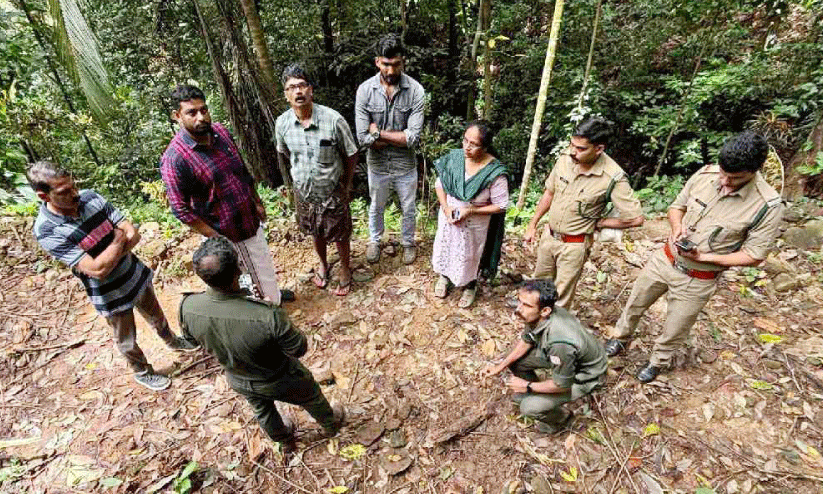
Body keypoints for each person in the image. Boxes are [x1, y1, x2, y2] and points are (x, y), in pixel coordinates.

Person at [605, 131, 784, 383]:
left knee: (676, 326)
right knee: (635, 302)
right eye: (723, 173)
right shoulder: (705, 174)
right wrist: (677, 227)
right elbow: (676, 207)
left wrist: (704, 257)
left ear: (755, 170)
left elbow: (754, 256)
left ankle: (658, 361)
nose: (724, 181)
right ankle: (620, 338)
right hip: (664, 259)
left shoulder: (767, 205)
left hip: (698, 278)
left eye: (734, 178)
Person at [28, 161, 198, 391]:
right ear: (44, 196)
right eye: (64, 191)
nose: (75, 193)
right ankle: (142, 372)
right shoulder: (47, 229)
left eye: (73, 185)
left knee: (155, 314)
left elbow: (133, 234)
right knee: (126, 338)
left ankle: (171, 340)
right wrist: (117, 241)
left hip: (134, 273)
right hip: (108, 293)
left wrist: (108, 257)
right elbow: (97, 270)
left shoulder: (90, 198)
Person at [179, 236, 344, 453]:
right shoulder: (266, 315)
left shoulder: (187, 306)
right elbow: (298, 348)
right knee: (311, 395)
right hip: (279, 377)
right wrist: (271, 315)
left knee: (262, 409)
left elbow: (191, 341)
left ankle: (284, 441)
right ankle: (331, 424)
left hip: (237, 377)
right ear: (238, 271)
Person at [160, 84, 292, 305]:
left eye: (203, 110)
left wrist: (256, 201)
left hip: (248, 219)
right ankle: (266, 311)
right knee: (240, 280)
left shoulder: (220, 132)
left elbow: (241, 169)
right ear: (177, 116)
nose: (201, 117)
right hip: (223, 230)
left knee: (262, 266)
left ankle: (272, 298)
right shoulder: (175, 158)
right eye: (192, 113)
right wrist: (215, 236)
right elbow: (180, 208)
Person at [524, 118, 644, 309]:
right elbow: (550, 192)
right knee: (538, 286)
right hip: (549, 236)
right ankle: (532, 319)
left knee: (561, 296)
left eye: (581, 148)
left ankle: (555, 325)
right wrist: (532, 224)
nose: (573, 151)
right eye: (572, 145)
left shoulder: (612, 177)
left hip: (575, 245)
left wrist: (601, 223)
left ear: (599, 149)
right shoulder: (565, 159)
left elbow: (636, 218)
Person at [275, 65, 359, 296]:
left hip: (332, 188)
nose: (298, 91)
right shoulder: (282, 124)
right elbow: (285, 153)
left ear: (311, 90)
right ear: (286, 94)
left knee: (340, 232)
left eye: (302, 85)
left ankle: (345, 268)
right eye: (292, 87)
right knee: (314, 230)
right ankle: (323, 264)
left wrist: (346, 184)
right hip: (303, 190)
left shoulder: (333, 120)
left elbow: (351, 154)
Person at [482, 279, 607, 434]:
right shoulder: (538, 315)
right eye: (519, 302)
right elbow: (527, 340)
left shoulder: (559, 343)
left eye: (526, 305)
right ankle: (537, 394)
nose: (519, 309)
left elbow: (563, 385)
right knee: (515, 362)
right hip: (568, 359)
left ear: (545, 311)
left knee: (528, 408)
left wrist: (527, 385)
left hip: (586, 375)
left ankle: (562, 418)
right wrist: (500, 366)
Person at [355, 34, 425, 265]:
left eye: (396, 64)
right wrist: (396, 136)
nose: (391, 70)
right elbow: (362, 138)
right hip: (377, 164)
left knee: (408, 207)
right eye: (386, 64)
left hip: (405, 164)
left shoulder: (415, 91)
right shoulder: (365, 90)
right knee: (376, 205)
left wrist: (378, 133)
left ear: (403, 62)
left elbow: (412, 138)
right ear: (377, 62)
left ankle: (408, 243)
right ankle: (375, 241)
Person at [431, 121, 508, 308]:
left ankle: (470, 286)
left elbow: (500, 205)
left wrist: (471, 210)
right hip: (449, 215)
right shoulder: (455, 159)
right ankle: (444, 277)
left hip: (475, 222)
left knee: (471, 254)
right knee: (446, 245)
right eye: (465, 141)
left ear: (485, 147)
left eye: (473, 144)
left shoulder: (494, 172)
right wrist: (446, 207)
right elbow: (440, 185)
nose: (467, 147)